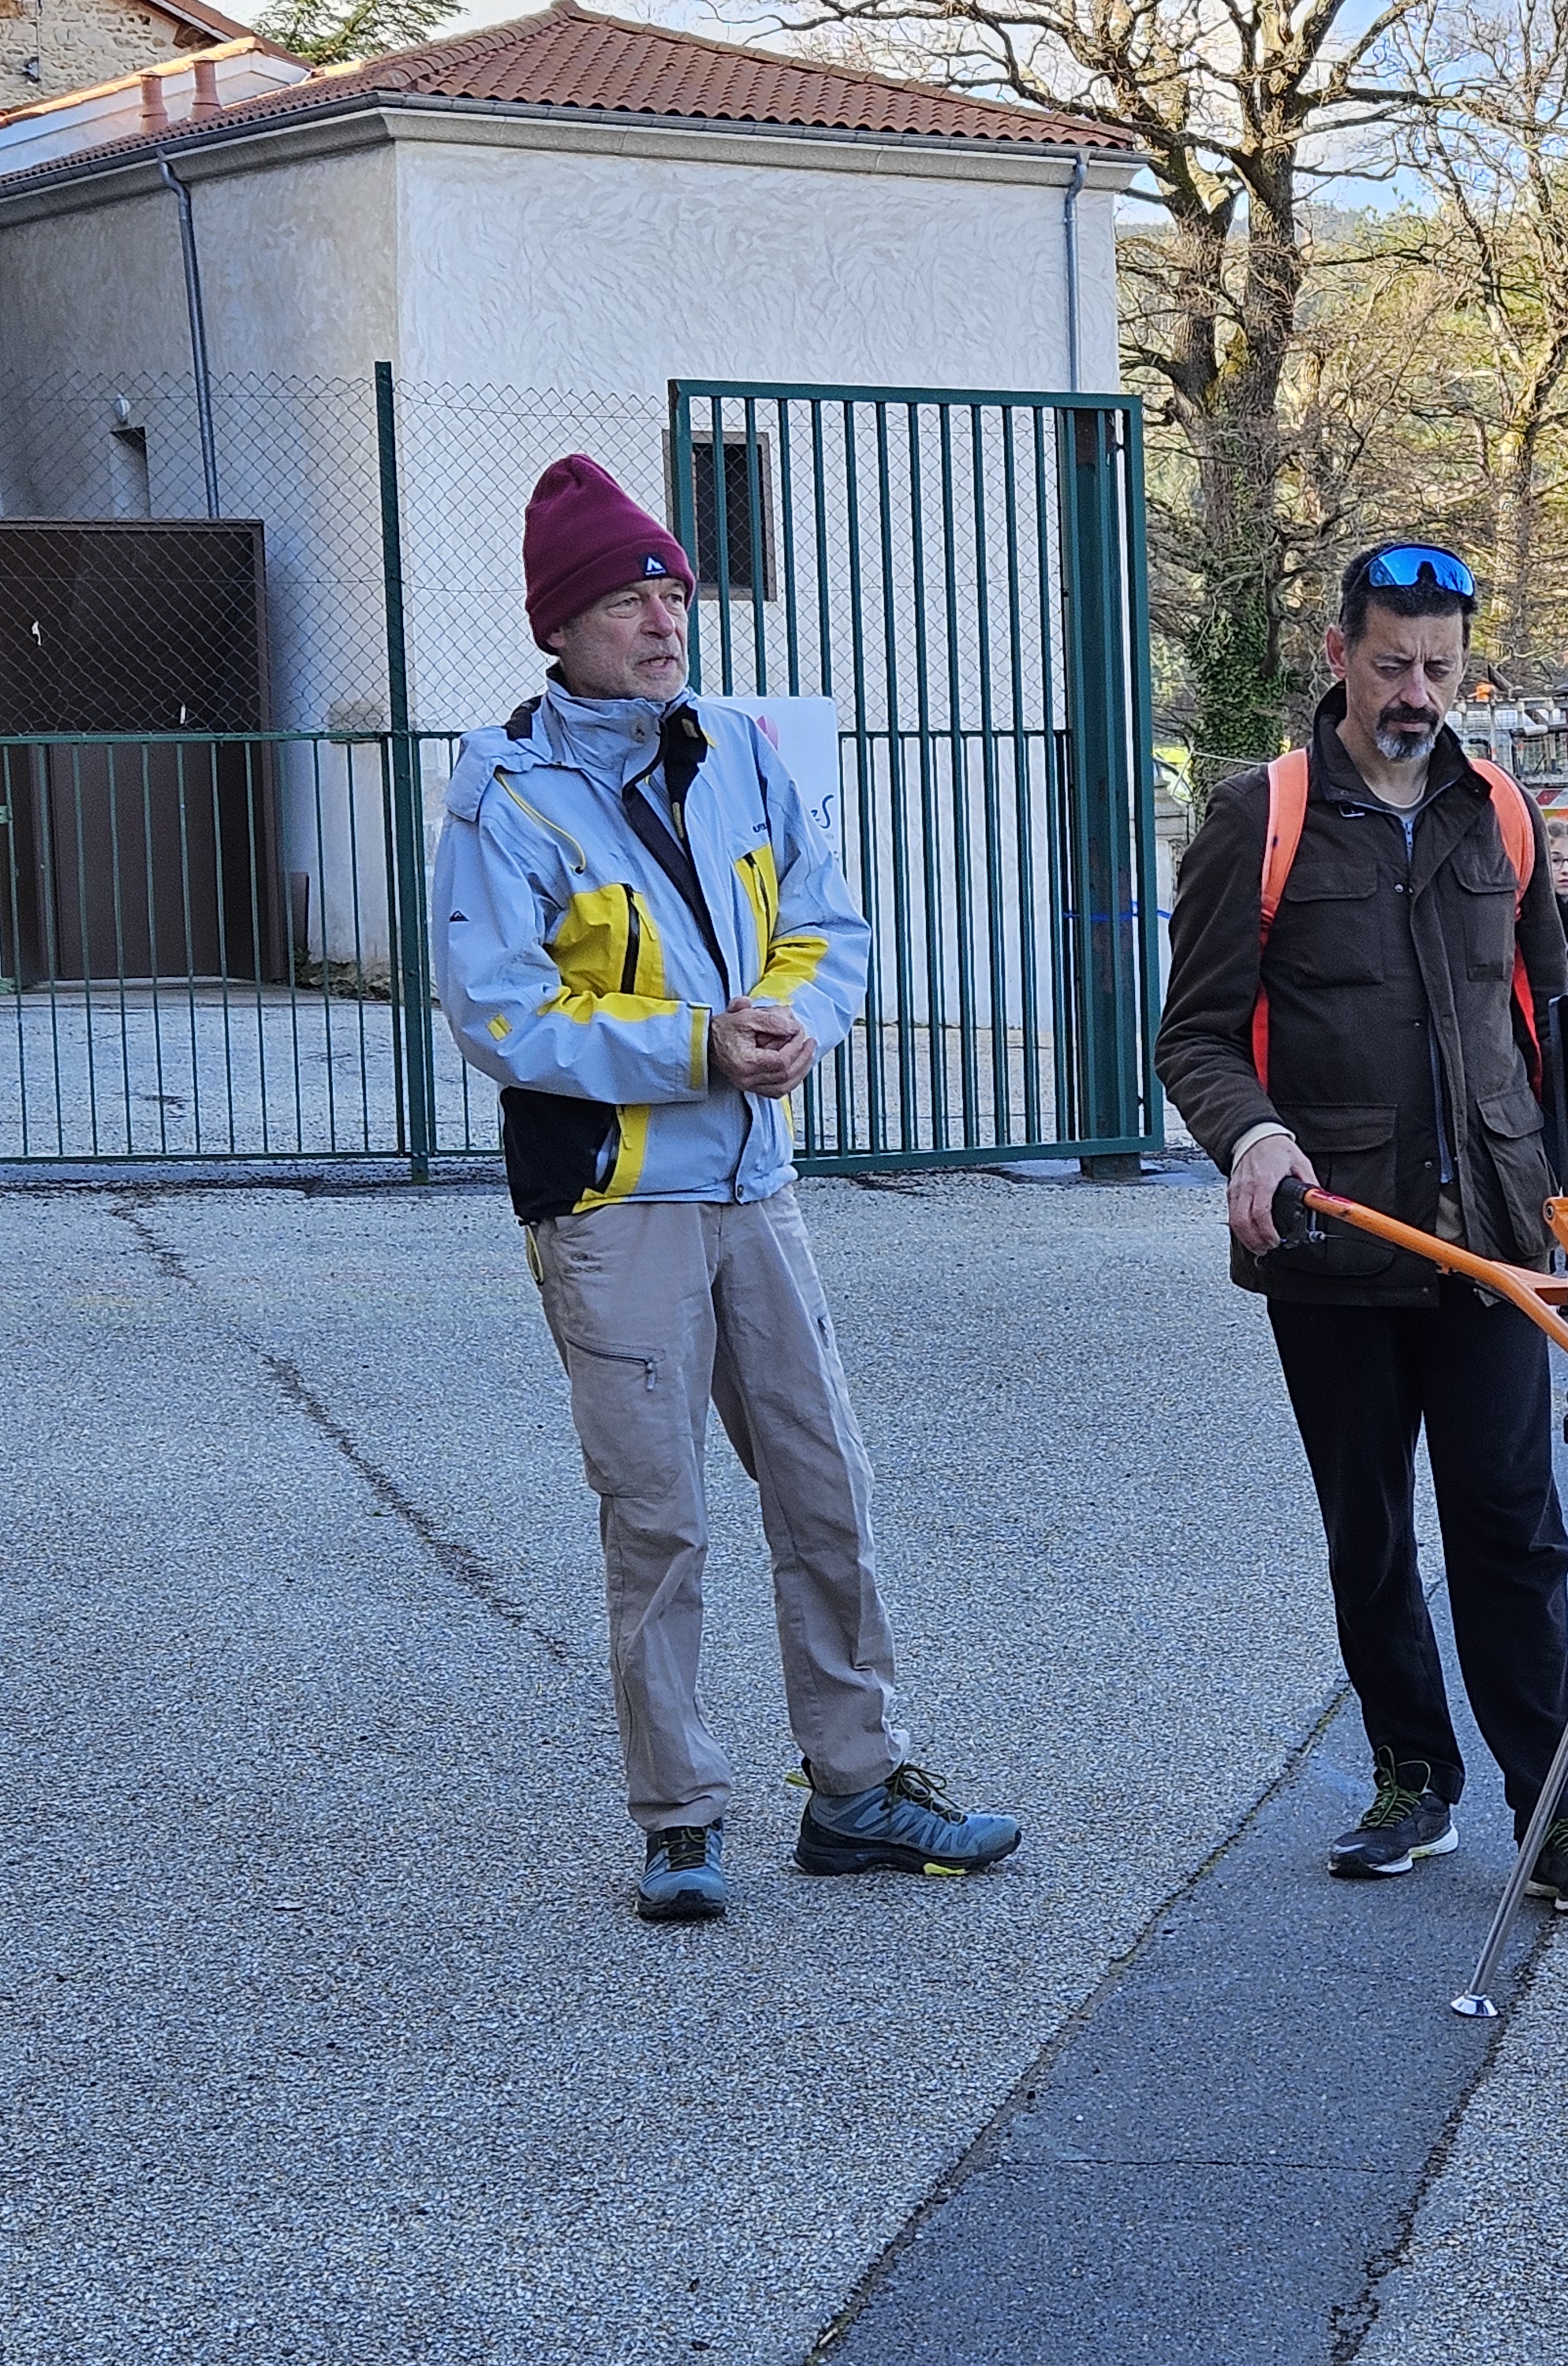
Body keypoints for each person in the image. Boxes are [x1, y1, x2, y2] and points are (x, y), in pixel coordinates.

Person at [432, 455, 1018, 1925]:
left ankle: (859, 1789)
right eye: (627, 596)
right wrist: (697, 1044)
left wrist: (801, 1019)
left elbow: (825, 918)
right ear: (558, 627)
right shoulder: (504, 787)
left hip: (757, 1190)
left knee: (826, 1488)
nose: (660, 613)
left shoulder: (744, 747)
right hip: (618, 1203)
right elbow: (495, 1011)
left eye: (672, 589)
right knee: (661, 1518)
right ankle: (680, 1818)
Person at [1153, 542, 1568, 1911]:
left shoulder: (1507, 818)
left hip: (1490, 1241)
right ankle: (1411, 1777)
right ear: (1336, 655)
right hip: (1337, 1240)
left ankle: (1555, 1810)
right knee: (1368, 1529)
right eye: (1391, 665)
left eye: (1440, 667)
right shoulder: (1264, 817)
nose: (1418, 693)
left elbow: (1550, 1032)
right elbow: (1192, 1036)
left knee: (1514, 1528)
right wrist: (1252, 1134)